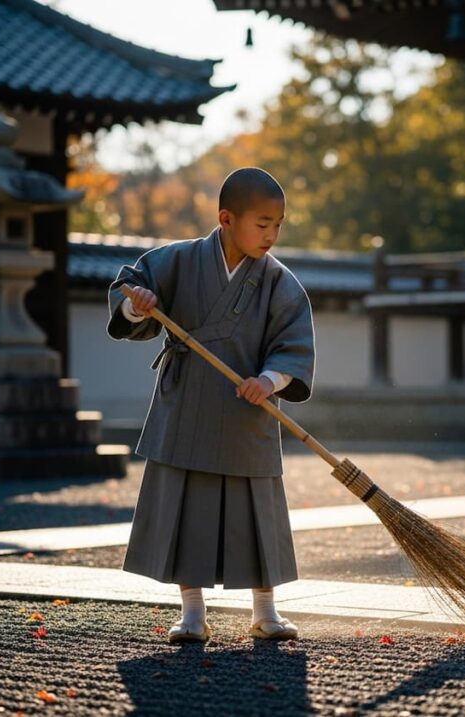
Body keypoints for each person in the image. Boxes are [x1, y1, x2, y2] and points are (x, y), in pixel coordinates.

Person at [106, 167, 315, 643]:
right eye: (262, 224)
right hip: (188, 403)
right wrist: (138, 304)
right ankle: (193, 612)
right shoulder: (178, 260)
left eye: (278, 224)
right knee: (189, 506)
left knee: (256, 509)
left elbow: (293, 342)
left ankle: (266, 610)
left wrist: (269, 378)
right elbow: (132, 293)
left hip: (248, 409)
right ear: (226, 218)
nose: (271, 235)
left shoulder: (279, 282)